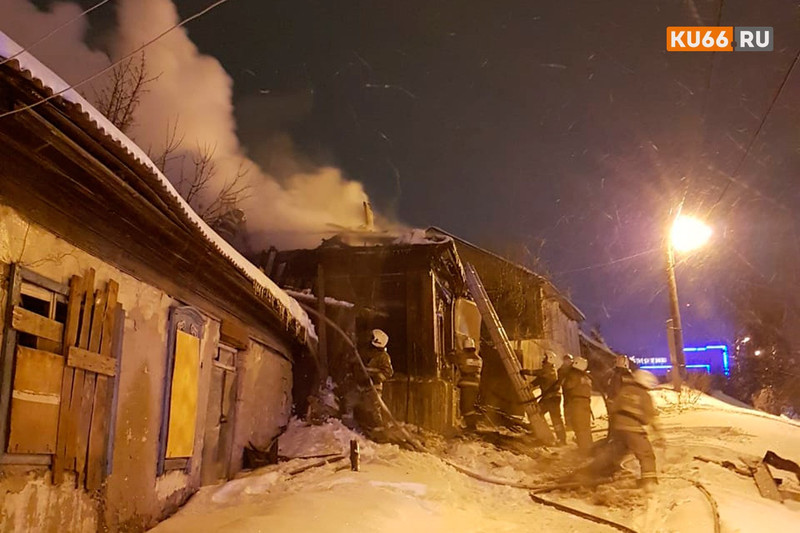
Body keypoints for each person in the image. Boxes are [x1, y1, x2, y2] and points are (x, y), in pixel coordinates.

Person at [589, 369, 664, 491]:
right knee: (646, 454)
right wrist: (659, 434)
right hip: (633, 428)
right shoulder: (644, 395)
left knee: (615, 452)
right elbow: (650, 418)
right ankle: (649, 482)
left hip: (618, 427)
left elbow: (613, 407)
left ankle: (591, 472)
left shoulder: (625, 390)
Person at [354, 329, 394, 438]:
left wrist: (375, 375)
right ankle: (368, 428)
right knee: (364, 407)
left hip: (374, 386)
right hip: (364, 384)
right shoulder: (368, 353)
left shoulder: (383, 356)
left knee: (374, 408)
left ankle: (379, 430)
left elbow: (388, 372)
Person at [521, 351, 566, 445]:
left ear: (549, 359)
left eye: (544, 358)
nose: (543, 360)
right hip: (549, 398)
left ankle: (561, 440)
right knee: (538, 414)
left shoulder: (550, 370)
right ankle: (541, 434)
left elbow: (538, 373)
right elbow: (540, 380)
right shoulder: (547, 370)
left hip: (552, 398)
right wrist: (531, 385)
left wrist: (526, 371)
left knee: (554, 418)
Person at [561, 356, 594, 454]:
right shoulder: (586, 377)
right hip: (586, 403)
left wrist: (566, 376)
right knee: (585, 426)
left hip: (577, 403)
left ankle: (584, 449)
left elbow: (567, 386)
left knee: (579, 425)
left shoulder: (574, 375)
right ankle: (588, 446)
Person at [454, 337, 483, 430]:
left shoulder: (464, 357)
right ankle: (471, 425)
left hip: (467, 384)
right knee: (470, 406)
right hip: (476, 384)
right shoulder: (479, 359)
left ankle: (471, 426)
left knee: (466, 407)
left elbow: (456, 361)